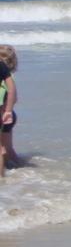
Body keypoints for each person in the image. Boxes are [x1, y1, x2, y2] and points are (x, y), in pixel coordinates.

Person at [0, 45, 19, 175]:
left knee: (3, 148)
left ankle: (5, 173)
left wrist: (5, 109)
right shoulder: (10, 77)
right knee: (8, 148)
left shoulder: (5, 80)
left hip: (4, 115)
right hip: (9, 115)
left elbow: (10, 96)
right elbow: (14, 96)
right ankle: (17, 166)